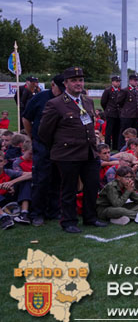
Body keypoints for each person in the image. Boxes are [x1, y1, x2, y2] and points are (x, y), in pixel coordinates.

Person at [38, 66, 107, 233]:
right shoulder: (55, 104)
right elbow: (44, 132)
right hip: (68, 154)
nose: (78, 83)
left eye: (81, 80)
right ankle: (69, 221)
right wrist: (59, 147)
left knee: (91, 186)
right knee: (69, 189)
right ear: (66, 83)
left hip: (89, 152)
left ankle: (90, 217)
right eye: (74, 80)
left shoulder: (88, 101)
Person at [21, 74, 65, 226]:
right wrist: (32, 137)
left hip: (59, 145)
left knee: (57, 178)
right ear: (53, 85)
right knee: (41, 179)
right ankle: (37, 213)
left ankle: (53, 211)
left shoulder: (66, 99)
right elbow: (26, 118)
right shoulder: (39, 98)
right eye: (61, 88)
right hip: (42, 144)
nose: (62, 91)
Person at [118, 74, 138, 149]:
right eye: (135, 80)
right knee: (125, 132)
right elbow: (119, 102)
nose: (136, 82)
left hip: (136, 114)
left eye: (137, 80)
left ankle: (133, 146)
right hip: (127, 115)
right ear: (130, 81)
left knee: (134, 132)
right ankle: (121, 146)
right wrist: (126, 109)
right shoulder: (125, 90)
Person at [100, 75, 122, 150]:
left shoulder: (120, 90)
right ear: (112, 82)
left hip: (118, 114)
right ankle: (107, 146)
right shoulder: (108, 90)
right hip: (110, 113)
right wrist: (107, 110)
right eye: (116, 81)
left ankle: (115, 146)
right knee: (109, 131)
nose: (118, 83)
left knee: (116, 130)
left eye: (119, 81)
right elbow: (103, 102)